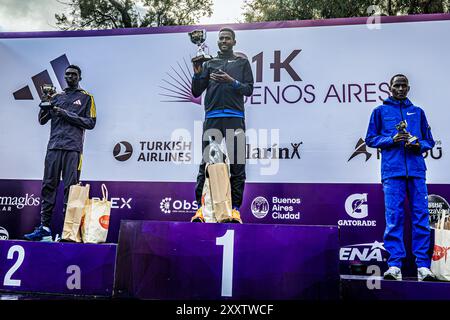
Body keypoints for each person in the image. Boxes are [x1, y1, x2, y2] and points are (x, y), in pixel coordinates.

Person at [365, 74, 436, 281]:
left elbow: (429, 141)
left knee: (421, 219)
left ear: (408, 88)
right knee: (394, 219)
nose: (400, 88)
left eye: (404, 85)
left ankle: (423, 266)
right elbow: (370, 139)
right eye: (397, 85)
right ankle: (395, 265)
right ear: (390, 87)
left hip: (416, 172)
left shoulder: (418, 112)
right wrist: (392, 139)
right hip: (392, 172)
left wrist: (418, 144)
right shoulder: (379, 111)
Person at [24, 65, 96, 241]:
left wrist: (63, 113)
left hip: (73, 149)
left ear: (79, 77)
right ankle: (45, 228)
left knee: (71, 189)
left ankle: (68, 231)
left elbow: (90, 122)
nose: (70, 77)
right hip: (54, 147)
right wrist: (45, 104)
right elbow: (42, 120)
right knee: (48, 186)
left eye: (74, 74)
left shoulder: (87, 98)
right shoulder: (56, 97)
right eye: (67, 74)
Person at [190, 27, 254, 223]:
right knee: (208, 165)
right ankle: (201, 209)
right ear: (217, 42)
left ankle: (234, 210)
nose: (223, 41)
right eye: (221, 39)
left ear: (234, 42)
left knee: (237, 166)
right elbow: (196, 92)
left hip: (235, 118)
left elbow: (248, 89)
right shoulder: (209, 63)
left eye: (227, 38)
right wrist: (197, 73)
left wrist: (231, 81)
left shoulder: (242, 62)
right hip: (213, 118)